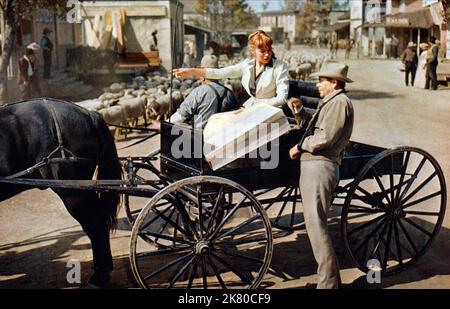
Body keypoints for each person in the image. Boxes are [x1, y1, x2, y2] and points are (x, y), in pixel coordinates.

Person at [289, 62, 354, 289]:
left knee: (316, 225)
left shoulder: (339, 103)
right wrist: (299, 111)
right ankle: (330, 281)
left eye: (321, 81)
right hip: (314, 166)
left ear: (334, 82)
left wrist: (299, 146)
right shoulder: (331, 102)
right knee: (315, 224)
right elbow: (316, 127)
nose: (317, 85)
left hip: (320, 166)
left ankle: (328, 285)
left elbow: (324, 138)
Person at [173, 30, 289, 109]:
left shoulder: (279, 67)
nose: (267, 54)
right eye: (262, 51)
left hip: (270, 113)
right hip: (250, 108)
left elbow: (281, 99)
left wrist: (257, 104)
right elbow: (218, 73)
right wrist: (191, 71)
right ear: (253, 51)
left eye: (268, 50)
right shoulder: (247, 65)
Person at [149, 55, 239, 131]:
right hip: (224, 138)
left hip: (202, 140)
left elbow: (181, 115)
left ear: (202, 75)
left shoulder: (199, 92)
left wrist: (162, 125)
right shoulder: (229, 93)